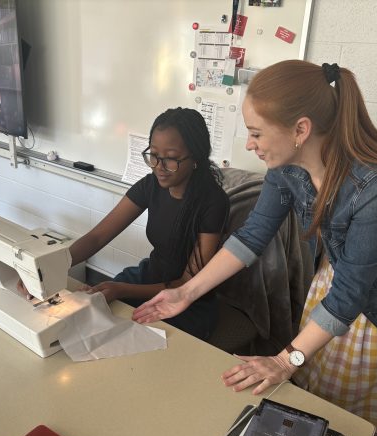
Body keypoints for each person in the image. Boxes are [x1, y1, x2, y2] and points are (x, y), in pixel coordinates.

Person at [132, 61, 377, 436]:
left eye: (255, 133)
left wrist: (285, 360)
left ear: (300, 130)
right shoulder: (289, 167)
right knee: (324, 387)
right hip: (346, 280)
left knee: (360, 412)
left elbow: (351, 293)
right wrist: (186, 291)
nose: (249, 145)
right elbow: (251, 237)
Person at [23, 107, 229, 340]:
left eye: (170, 159)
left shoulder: (213, 203)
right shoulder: (151, 185)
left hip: (188, 301)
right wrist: (48, 268)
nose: (158, 167)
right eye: (153, 155)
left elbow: (186, 284)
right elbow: (97, 237)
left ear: (196, 158)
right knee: (87, 317)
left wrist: (120, 289)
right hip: (148, 278)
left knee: (129, 338)